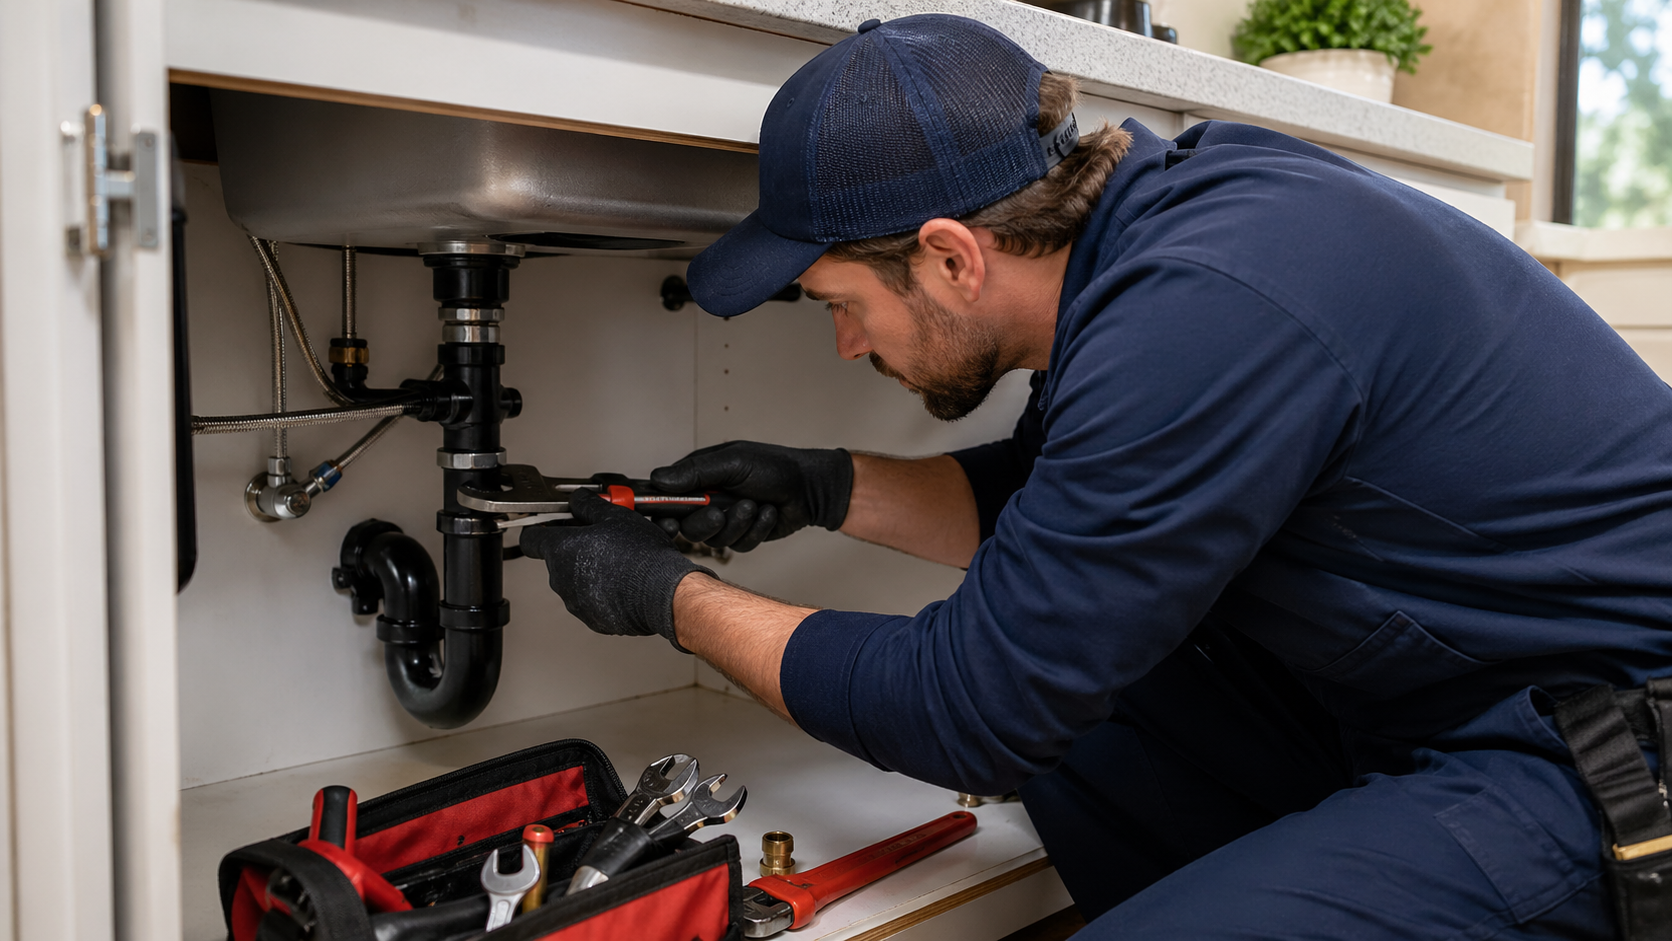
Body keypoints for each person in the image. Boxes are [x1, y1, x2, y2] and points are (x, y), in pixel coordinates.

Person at [519, 13, 1672, 939]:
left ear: (951, 256)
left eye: (841, 306)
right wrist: (820, 482)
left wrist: (663, 596)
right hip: (1477, 699)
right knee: (1089, 712)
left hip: (1609, 756)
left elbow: (969, 709)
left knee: (1027, 711)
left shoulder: (1208, 306)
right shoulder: (1166, 235)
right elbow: (1067, 523)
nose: (847, 347)